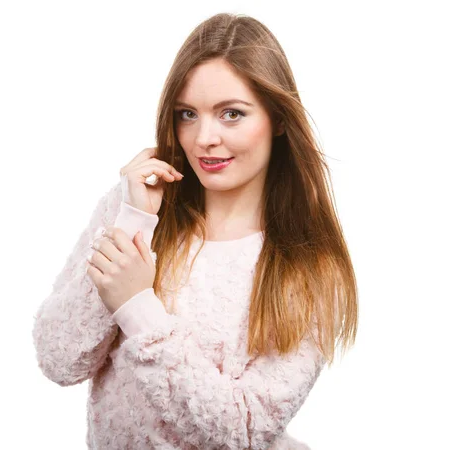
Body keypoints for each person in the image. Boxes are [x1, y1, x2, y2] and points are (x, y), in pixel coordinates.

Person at [32, 12, 358, 450]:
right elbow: (60, 360)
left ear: (278, 120)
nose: (204, 137)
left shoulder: (306, 265)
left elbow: (245, 430)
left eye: (231, 114)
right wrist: (132, 222)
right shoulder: (135, 206)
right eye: (188, 113)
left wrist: (137, 308)